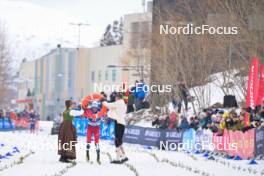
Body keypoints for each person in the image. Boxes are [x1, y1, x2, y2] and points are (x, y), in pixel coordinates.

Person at [103, 93, 128, 164]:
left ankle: (123, 156)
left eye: (115, 98)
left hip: (119, 123)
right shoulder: (123, 104)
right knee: (118, 140)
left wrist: (103, 101)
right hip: (121, 123)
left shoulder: (118, 103)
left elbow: (109, 105)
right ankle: (120, 157)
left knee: (118, 141)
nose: (115, 99)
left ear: (117, 98)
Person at [82, 93, 107, 164]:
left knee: (97, 143)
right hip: (90, 127)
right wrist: (83, 114)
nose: (94, 109)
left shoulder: (100, 111)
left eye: (95, 107)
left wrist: (105, 119)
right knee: (88, 142)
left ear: (97, 107)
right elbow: (83, 110)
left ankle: (98, 157)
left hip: (97, 128)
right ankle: (87, 154)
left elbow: (105, 114)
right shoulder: (88, 111)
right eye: (93, 107)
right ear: (91, 107)